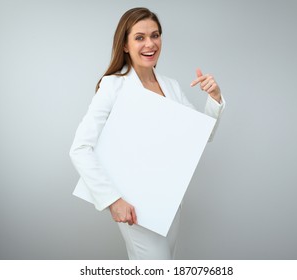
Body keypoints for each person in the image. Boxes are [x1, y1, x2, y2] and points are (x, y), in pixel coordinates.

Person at [69, 7, 225, 259]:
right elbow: (80, 149)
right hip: (134, 206)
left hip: (169, 202)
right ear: (125, 45)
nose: (150, 43)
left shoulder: (171, 86)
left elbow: (200, 136)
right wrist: (112, 200)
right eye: (140, 37)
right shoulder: (113, 85)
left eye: (155, 35)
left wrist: (214, 99)